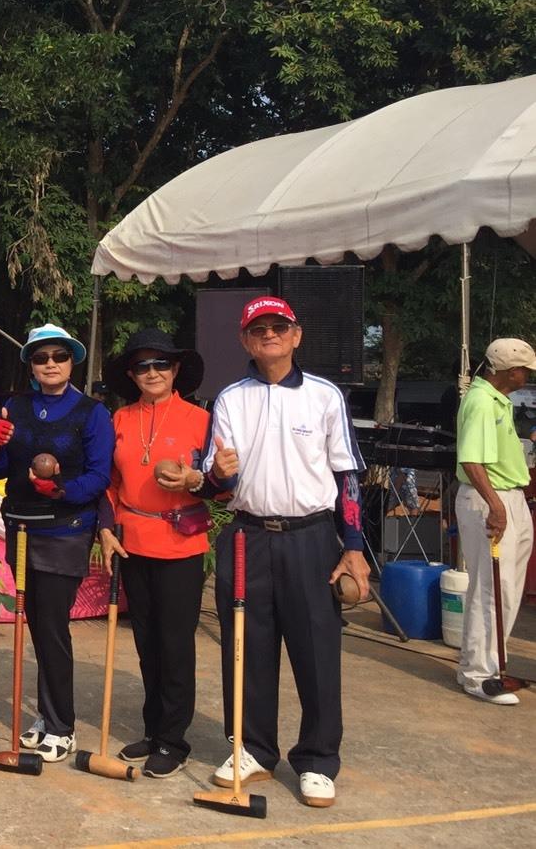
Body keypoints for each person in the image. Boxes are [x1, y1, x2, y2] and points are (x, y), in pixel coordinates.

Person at [178, 295, 370, 809]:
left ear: (296, 335)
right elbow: (218, 482)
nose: (270, 335)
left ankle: (318, 759)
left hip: (311, 536)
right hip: (247, 535)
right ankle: (253, 749)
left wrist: (353, 545)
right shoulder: (229, 398)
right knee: (246, 647)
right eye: (259, 329)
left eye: (279, 327)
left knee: (316, 651)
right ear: (245, 339)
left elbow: (347, 474)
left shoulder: (325, 395)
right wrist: (218, 476)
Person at [0, 323, 114, 763]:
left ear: (72, 361)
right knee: (38, 625)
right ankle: (46, 716)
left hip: (65, 530)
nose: (50, 364)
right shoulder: (15, 406)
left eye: (59, 356)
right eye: (41, 358)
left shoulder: (92, 412)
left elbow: (99, 476)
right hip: (21, 528)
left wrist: (60, 490)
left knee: (54, 628)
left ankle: (62, 726)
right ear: (31, 365)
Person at [97, 328, 210, 778]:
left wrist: (195, 480)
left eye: (161, 363)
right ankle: (153, 728)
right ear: (131, 374)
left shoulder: (201, 419)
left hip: (181, 543)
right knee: (146, 642)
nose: (152, 372)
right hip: (133, 542)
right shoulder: (120, 419)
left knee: (175, 644)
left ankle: (173, 739)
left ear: (176, 369)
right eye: (142, 366)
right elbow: (108, 483)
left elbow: (222, 484)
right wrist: (106, 529)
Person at [454, 337, 536, 705]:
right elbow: (471, 460)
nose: (527, 376)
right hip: (491, 497)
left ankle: (484, 664)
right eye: (523, 370)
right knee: (492, 589)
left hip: (507, 495)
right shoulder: (482, 402)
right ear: (508, 370)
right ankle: (480, 675)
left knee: (506, 588)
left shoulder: (497, 400)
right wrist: (496, 506)